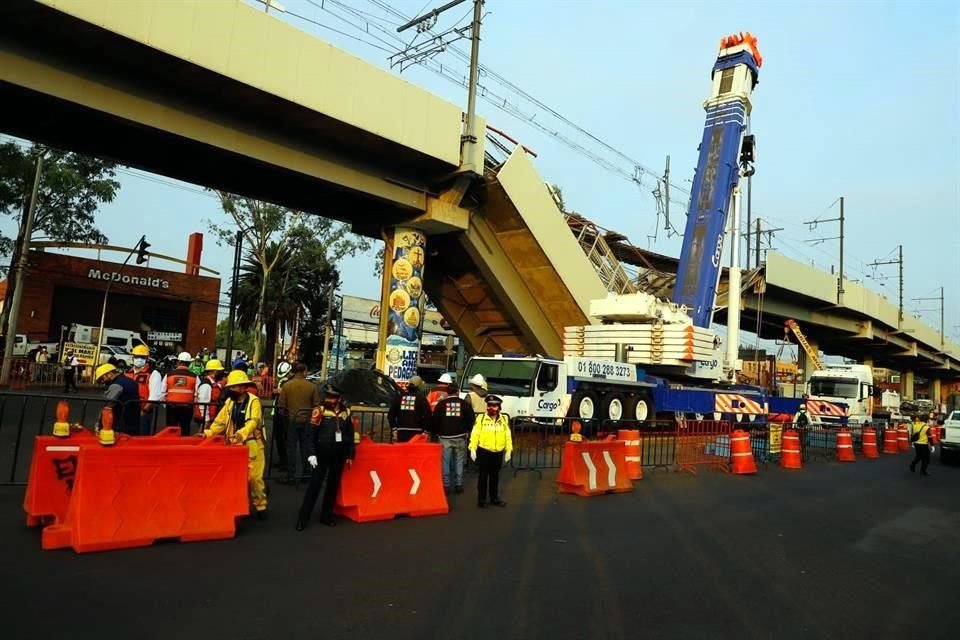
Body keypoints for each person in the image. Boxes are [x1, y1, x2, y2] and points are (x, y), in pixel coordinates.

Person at [202, 370, 268, 519]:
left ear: (243, 388)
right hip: (234, 445)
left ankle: (261, 505)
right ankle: (240, 507)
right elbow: (220, 422)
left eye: (235, 387)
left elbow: (253, 422)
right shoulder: (230, 403)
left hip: (252, 445)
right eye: (231, 387)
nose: (231, 389)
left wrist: (241, 433)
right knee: (237, 479)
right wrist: (207, 433)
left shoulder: (253, 401)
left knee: (254, 478)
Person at [296, 385, 355, 530]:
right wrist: (311, 453)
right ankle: (303, 519)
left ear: (339, 399)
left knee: (332, 486)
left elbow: (350, 434)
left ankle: (326, 515)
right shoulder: (319, 410)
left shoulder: (346, 412)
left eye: (332, 397)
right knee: (314, 486)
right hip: (321, 453)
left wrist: (350, 454)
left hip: (338, 454)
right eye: (327, 396)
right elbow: (310, 434)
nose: (328, 399)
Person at [277, 362, 321, 484]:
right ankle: (306, 474)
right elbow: (316, 404)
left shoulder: (287, 386)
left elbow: (281, 406)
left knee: (291, 448)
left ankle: (291, 474)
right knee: (306, 447)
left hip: (292, 420)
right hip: (307, 420)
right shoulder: (312, 387)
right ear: (304, 372)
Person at [469, 394, 512, 508]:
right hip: (484, 451)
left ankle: (494, 498)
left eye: (494, 406)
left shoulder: (504, 419)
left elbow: (507, 435)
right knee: (483, 477)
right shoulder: (481, 418)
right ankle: (481, 500)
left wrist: (508, 450)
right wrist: (472, 448)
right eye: (489, 405)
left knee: (495, 477)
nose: (491, 408)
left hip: (498, 452)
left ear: (499, 407)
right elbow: (475, 434)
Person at [431, 382, 474, 494]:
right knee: (459, 461)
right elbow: (471, 419)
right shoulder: (464, 404)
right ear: (457, 392)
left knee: (445, 461)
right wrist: (467, 430)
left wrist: (437, 432)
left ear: (447, 392)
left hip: (444, 437)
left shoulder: (441, 404)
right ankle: (458, 484)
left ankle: (446, 485)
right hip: (460, 436)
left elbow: (435, 420)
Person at [126, 344, 164, 436]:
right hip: (126, 410)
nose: (139, 359)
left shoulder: (153, 373)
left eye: (142, 357)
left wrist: (144, 411)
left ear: (147, 358)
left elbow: (155, 396)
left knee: (141, 437)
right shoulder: (127, 372)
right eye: (137, 356)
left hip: (142, 411)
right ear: (133, 357)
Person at [94, 363, 141, 435]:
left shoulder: (116, 385)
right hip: (133, 421)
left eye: (102, 378)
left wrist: (99, 426)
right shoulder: (130, 381)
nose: (102, 382)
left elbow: (108, 406)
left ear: (109, 374)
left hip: (120, 426)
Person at [163, 351, 198, 435]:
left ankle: (169, 445)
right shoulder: (194, 376)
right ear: (189, 363)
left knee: (171, 430)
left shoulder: (169, 375)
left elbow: (162, 392)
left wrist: (165, 404)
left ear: (178, 362)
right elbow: (197, 393)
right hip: (187, 408)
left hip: (171, 407)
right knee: (185, 429)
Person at [389, 375, 432, 442]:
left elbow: (390, 415)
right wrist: (426, 431)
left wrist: (394, 429)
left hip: (401, 432)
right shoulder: (421, 399)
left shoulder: (400, 398)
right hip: (417, 433)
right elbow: (428, 416)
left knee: (402, 451)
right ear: (419, 386)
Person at [194, 359, 225, 431]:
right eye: (218, 371)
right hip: (206, 418)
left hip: (211, 416)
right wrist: (206, 419)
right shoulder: (206, 385)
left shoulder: (214, 384)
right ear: (212, 372)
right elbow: (203, 402)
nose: (220, 373)